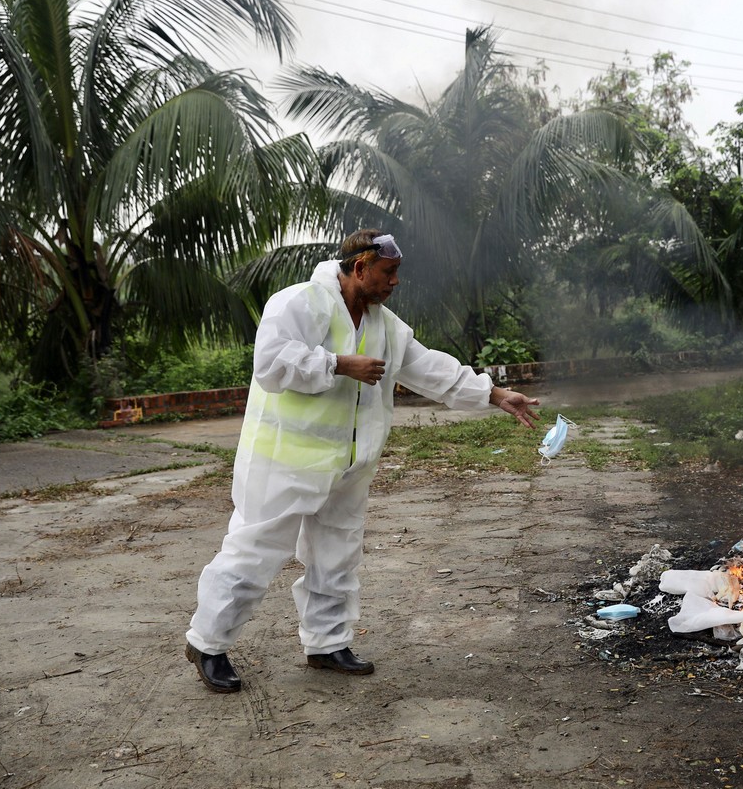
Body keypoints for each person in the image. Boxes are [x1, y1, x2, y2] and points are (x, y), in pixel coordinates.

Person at [185, 229, 540, 693]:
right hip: (284, 461)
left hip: (348, 465)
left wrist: (492, 393)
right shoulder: (297, 302)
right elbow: (270, 364)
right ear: (360, 267)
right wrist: (337, 364)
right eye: (389, 273)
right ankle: (207, 644)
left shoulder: (385, 326)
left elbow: (427, 366)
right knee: (254, 552)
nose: (395, 283)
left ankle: (327, 644)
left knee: (337, 555)